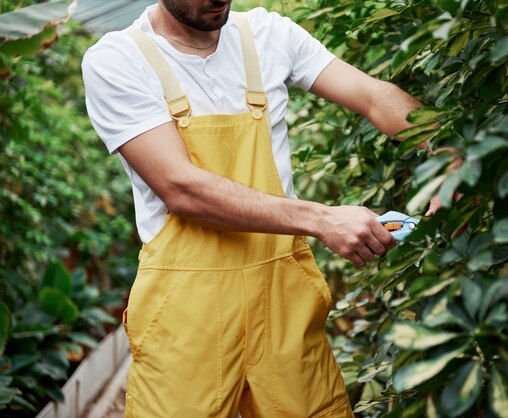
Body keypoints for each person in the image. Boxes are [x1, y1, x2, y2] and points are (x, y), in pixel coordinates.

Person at [82, 1, 426, 416]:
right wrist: (322, 219)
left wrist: (453, 154)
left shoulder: (269, 35)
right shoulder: (118, 59)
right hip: (186, 312)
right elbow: (181, 188)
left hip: (283, 296)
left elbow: (373, 96)